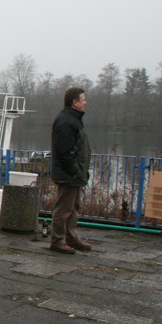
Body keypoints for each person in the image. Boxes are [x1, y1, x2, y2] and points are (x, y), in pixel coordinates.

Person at [49, 87, 92, 254]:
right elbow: (64, 151)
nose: (85, 102)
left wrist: (79, 170)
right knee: (64, 209)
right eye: (83, 99)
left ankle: (71, 239)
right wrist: (75, 170)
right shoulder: (66, 121)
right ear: (75, 102)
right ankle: (58, 241)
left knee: (72, 208)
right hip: (68, 174)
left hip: (74, 173)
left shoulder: (72, 120)